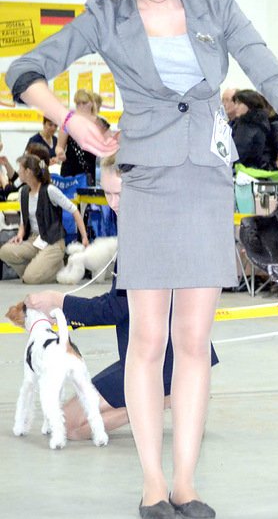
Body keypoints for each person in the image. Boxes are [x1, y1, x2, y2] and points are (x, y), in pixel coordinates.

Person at [6, 0, 278, 519]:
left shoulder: (216, 4)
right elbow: (21, 73)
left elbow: (271, 74)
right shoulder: (105, 15)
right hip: (146, 183)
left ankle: (187, 483)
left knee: (193, 341)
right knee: (147, 340)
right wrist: (75, 123)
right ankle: (152, 484)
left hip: (208, 182)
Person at [25, 156, 219, 441]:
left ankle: (169, 399)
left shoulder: (146, 236)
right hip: (153, 354)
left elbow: (116, 308)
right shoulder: (150, 226)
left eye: (120, 193)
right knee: (67, 422)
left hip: (164, 358)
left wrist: (58, 300)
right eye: (107, 193)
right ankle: (173, 398)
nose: (113, 203)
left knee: (69, 425)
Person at [0, 153, 89, 283]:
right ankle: (40, 268)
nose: (18, 171)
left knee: (30, 278)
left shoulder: (50, 190)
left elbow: (74, 210)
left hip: (53, 242)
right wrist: (20, 235)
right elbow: (23, 222)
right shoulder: (23, 192)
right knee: (4, 251)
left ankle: (49, 269)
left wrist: (84, 236)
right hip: (33, 240)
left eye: (20, 169)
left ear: (28, 172)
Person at [55, 89, 98, 185]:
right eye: (78, 103)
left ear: (91, 103)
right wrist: (60, 152)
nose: (81, 106)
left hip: (91, 170)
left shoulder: (98, 123)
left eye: (84, 103)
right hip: (71, 169)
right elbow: (59, 146)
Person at [231, 89, 273, 170]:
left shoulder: (247, 126)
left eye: (239, 103)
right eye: (235, 103)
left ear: (250, 105)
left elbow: (238, 152)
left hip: (244, 171)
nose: (235, 107)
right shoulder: (262, 123)